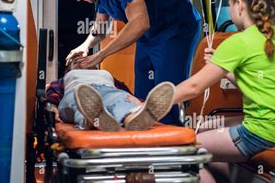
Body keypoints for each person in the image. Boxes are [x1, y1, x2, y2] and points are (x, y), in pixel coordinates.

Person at [170, 0, 275, 183]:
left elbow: (194, 86)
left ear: (240, 5)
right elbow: (257, 83)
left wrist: (152, 104)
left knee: (186, 152)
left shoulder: (238, 41)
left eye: (229, 3)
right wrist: (225, 71)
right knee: (206, 126)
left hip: (265, 131)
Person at [56, 0, 201, 124]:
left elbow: (140, 23)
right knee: (142, 91)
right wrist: (85, 46)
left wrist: (100, 56)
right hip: (149, 36)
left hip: (175, 30)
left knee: (165, 90)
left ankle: (168, 137)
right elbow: (101, 28)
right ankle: (139, 128)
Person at [44, 55, 176, 131]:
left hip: (109, 91)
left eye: (84, 58)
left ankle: (134, 119)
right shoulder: (67, 78)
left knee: (122, 101)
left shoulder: (105, 74)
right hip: (77, 92)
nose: (80, 61)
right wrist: (52, 109)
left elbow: (124, 92)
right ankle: (90, 120)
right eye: (75, 61)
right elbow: (52, 95)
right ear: (68, 69)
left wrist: (140, 103)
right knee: (80, 102)